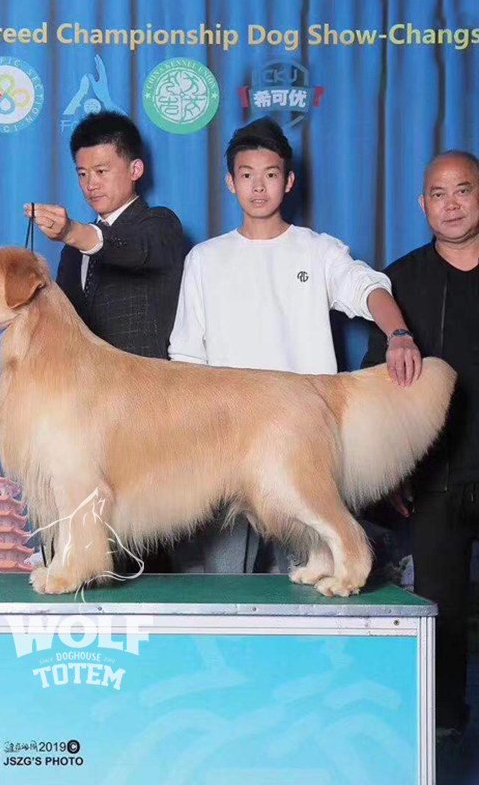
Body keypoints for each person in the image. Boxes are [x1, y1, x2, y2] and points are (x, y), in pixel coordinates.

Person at [169, 117, 422, 574]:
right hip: (226, 444)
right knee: (225, 582)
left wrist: (399, 333)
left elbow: (368, 289)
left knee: (315, 578)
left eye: (270, 175)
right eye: (246, 175)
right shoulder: (204, 259)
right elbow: (186, 359)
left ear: (288, 181)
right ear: (231, 182)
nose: (258, 187)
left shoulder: (317, 250)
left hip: (300, 441)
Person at [363, 150, 479, 739]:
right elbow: (374, 385)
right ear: (422, 204)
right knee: (441, 609)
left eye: (463, 190)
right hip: (436, 479)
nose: (452, 204)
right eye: (439, 193)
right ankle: (444, 725)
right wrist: (392, 468)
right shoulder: (401, 281)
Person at [25, 111, 185, 359]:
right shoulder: (72, 249)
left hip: (144, 388)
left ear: (135, 169)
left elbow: (133, 249)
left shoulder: (160, 225)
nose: (91, 184)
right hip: (79, 387)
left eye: (101, 171)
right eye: (82, 174)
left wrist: (71, 232)